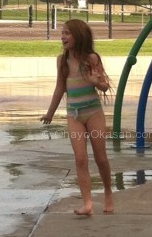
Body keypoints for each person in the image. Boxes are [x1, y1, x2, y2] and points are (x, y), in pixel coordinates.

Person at [40, 19, 114, 216]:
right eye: (62, 33)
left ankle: (108, 193)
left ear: (79, 36)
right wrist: (50, 113)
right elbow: (59, 88)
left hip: (93, 113)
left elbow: (105, 86)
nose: (63, 36)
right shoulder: (61, 61)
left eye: (67, 33)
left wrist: (95, 82)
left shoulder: (91, 59)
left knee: (101, 158)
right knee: (80, 159)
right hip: (74, 115)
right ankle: (88, 203)